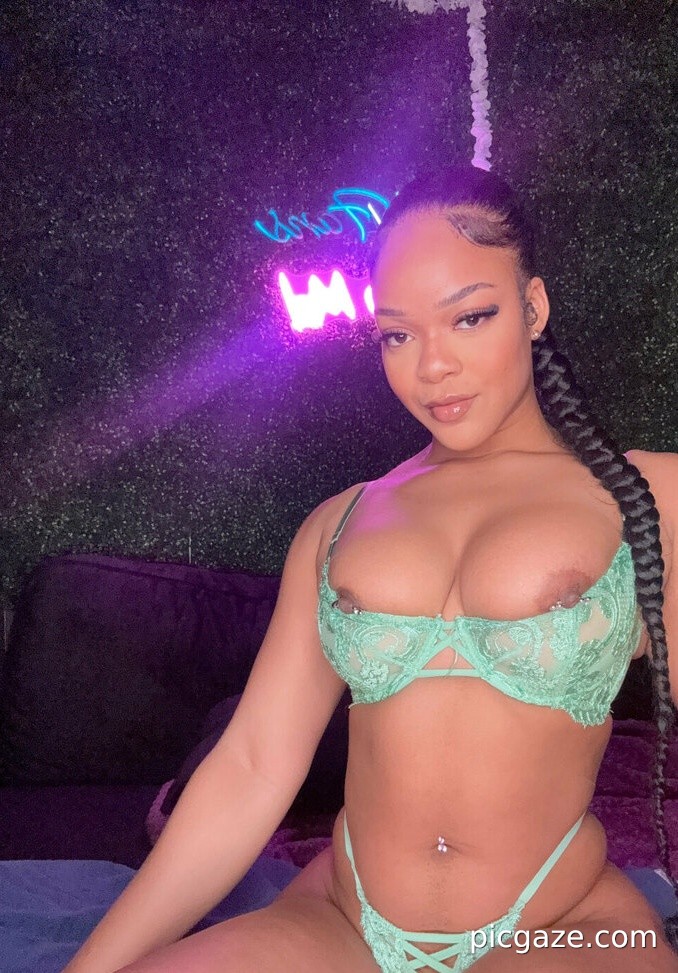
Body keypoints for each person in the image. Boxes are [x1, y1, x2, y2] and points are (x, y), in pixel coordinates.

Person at [63, 166, 678, 972]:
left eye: (470, 317)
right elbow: (252, 765)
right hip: (345, 921)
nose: (433, 366)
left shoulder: (648, 497)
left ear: (533, 307)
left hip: (560, 925)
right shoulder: (339, 522)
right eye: (397, 334)